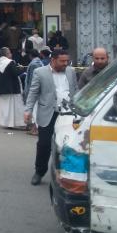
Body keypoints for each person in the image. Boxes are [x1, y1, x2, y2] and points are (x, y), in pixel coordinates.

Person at [24, 49, 78, 186]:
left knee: (67, 145)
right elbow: (33, 92)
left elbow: (75, 90)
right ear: (53, 60)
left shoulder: (71, 71)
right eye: (62, 61)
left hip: (68, 114)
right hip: (48, 113)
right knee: (44, 144)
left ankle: (65, 174)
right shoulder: (40, 72)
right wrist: (28, 110)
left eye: (67, 61)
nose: (65, 64)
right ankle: (39, 172)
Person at [0, 47, 25, 129]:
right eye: (10, 52)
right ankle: (15, 123)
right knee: (15, 107)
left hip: (1, 89)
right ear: (7, 54)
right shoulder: (10, 62)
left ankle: (6, 123)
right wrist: (21, 69)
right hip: (12, 89)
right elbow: (16, 73)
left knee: (4, 108)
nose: (11, 54)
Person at [24, 49, 44, 136]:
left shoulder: (33, 64)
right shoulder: (40, 63)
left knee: (34, 110)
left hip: (34, 90)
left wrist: (28, 91)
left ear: (30, 56)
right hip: (40, 89)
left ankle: (35, 129)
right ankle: (34, 128)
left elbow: (32, 79)